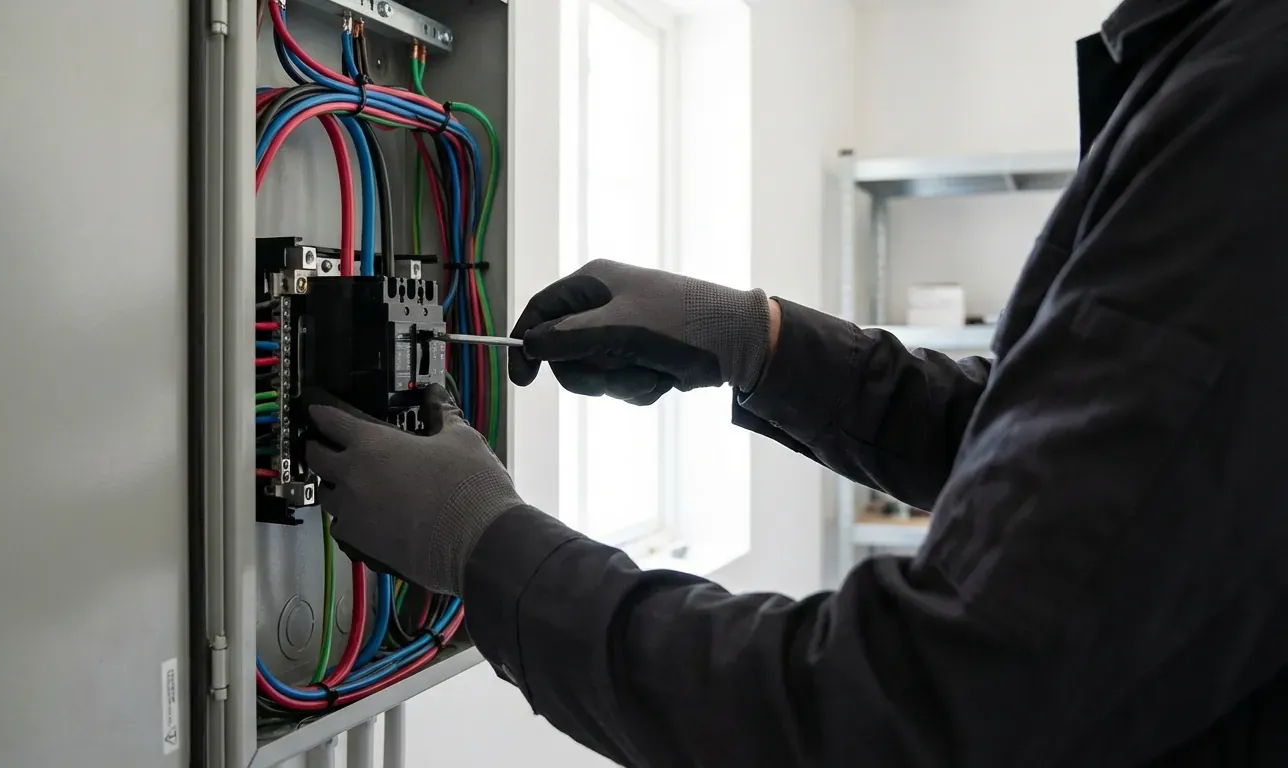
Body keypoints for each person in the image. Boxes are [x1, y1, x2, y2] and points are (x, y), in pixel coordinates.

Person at [307, 0, 1288, 764]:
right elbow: (1073, 463)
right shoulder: (1213, 66)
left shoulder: (1250, 99)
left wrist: (487, 549)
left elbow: (913, 716)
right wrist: (762, 343)